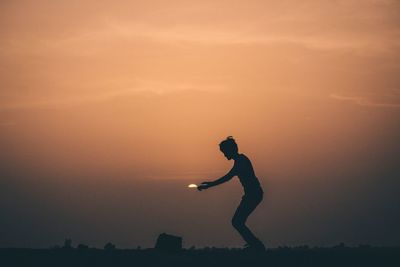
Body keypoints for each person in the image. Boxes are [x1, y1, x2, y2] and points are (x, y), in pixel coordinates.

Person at [198, 136, 265, 251]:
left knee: (237, 222)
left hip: (254, 195)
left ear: (231, 150)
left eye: (224, 152)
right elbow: (228, 176)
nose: (224, 155)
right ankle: (255, 245)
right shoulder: (240, 160)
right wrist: (211, 183)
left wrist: (210, 185)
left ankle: (257, 246)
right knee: (238, 222)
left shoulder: (241, 162)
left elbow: (227, 177)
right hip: (251, 195)